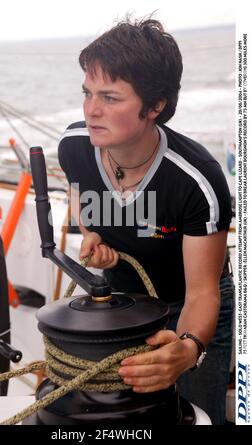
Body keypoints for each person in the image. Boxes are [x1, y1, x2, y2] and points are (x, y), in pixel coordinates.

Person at [58, 17, 234, 425]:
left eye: (110, 97)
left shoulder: (197, 180)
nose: (91, 110)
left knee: (194, 417)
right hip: (123, 304)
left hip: (186, 305)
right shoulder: (73, 146)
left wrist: (188, 349)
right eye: (87, 92)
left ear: (156, 106)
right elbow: (82, 199)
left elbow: (202, 294)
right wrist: (93, 238)